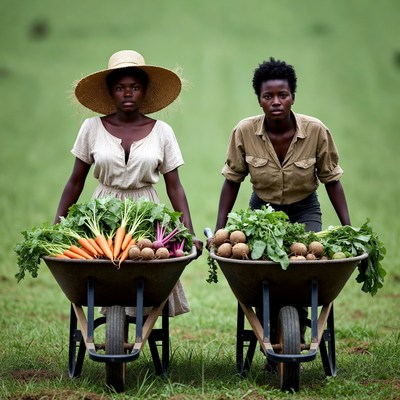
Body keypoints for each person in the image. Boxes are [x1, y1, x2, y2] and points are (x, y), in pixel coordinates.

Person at [213, 57, 351, 364]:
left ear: (293, 97)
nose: (276, 102)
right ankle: (271, 328)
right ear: (259, 100)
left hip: (304, 210)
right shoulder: (244, 132)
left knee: (304, 265)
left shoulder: (316, 131)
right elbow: (232, 181)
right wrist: (219, 229)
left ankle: (295, 327)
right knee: (264, 271)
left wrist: (348, 228)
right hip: (261, 211)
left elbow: (332, 181)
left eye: (283, 95)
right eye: (268, 96)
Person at [54, 49, 203, 317]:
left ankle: (136, 327)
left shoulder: (162, 132)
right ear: (111, 92)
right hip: (102, 212)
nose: (127, 93)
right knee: (105, 269)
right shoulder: (91, 128)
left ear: (144, 91)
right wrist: (58, 221)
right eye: (120, 88)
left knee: (143, 265)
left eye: (134, 87)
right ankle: (115, 325)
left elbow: (175, 186)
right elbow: (75, 181)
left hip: (146, 211)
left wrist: (188, 231)